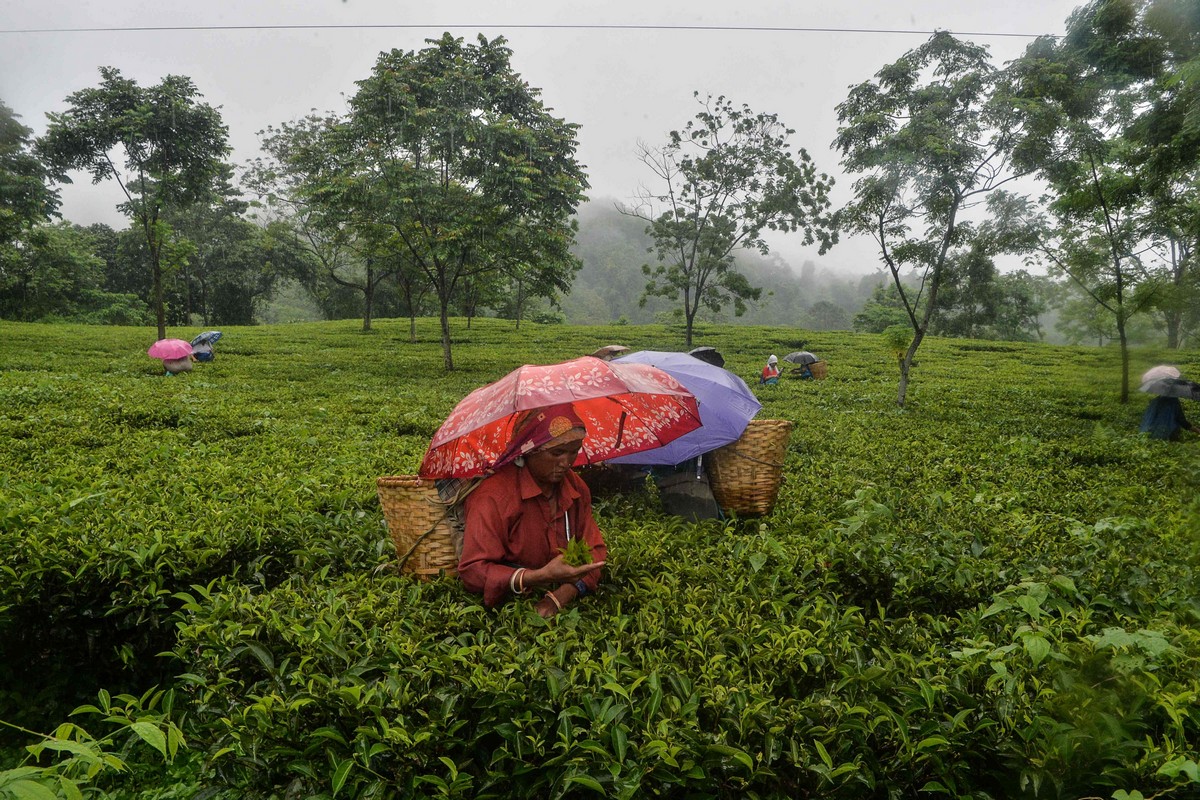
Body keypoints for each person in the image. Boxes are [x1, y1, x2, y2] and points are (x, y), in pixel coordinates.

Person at [458, 403, 607, 618]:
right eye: (556, 453)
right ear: (529, 450)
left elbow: (596, 551)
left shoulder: (575, 488)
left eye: (573, 452)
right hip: (510, 610)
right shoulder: (494, 496)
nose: (565, 463)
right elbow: (473, 571)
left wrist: (562, 595)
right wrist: (536, 577)